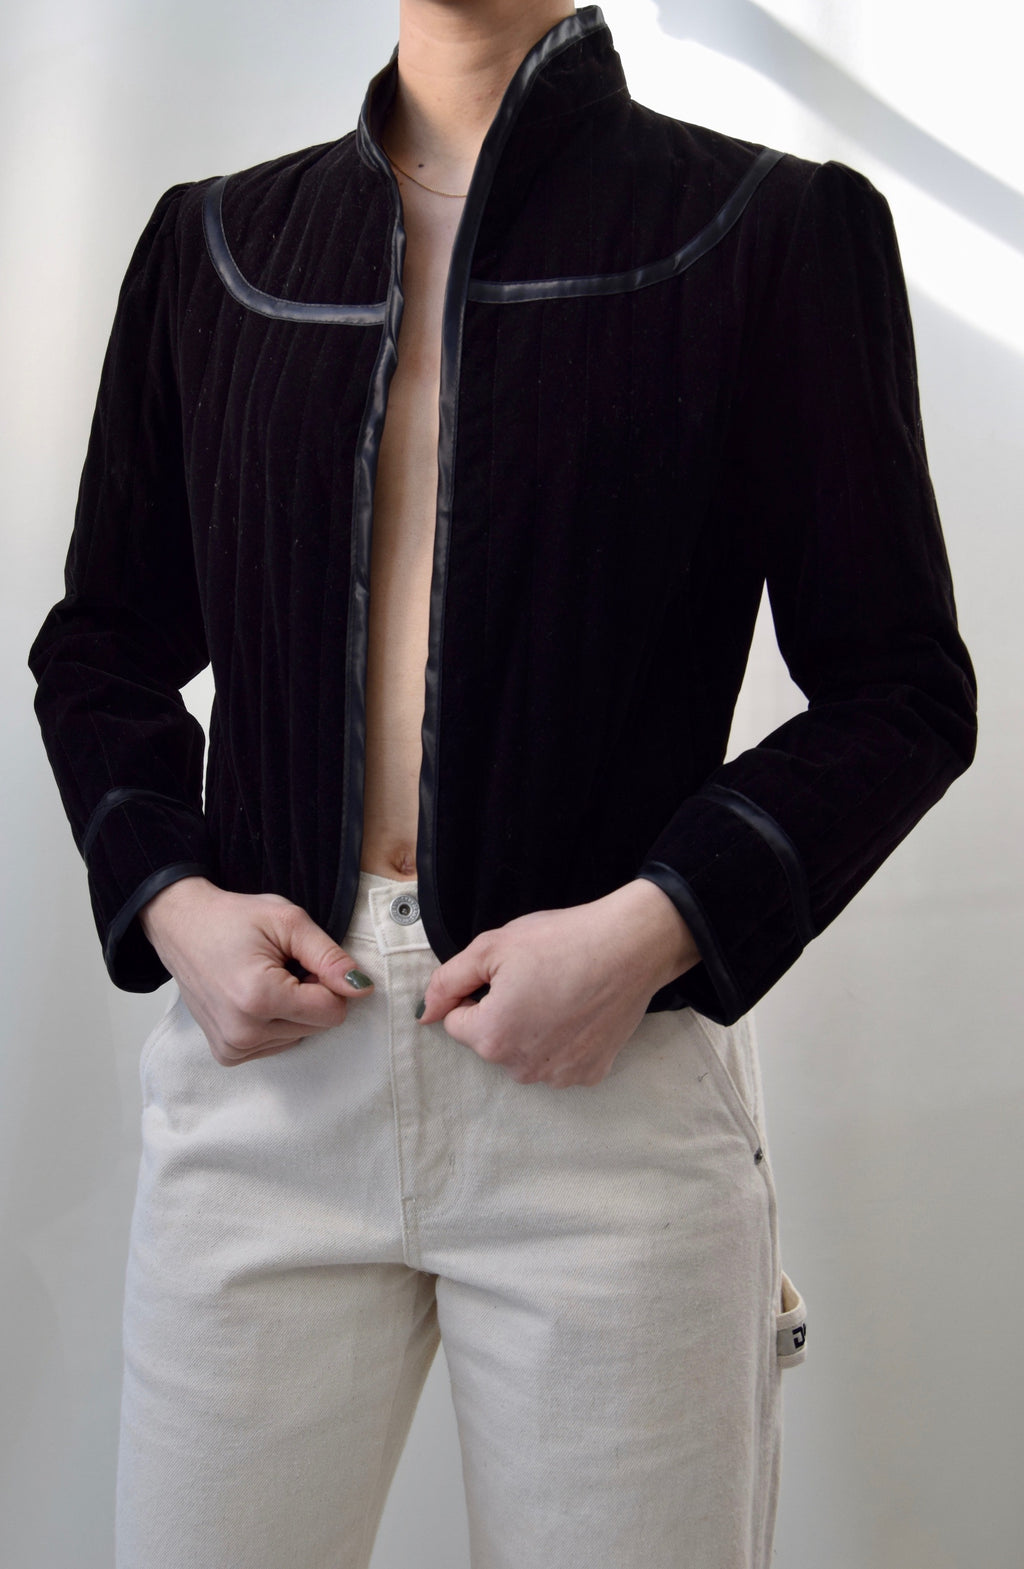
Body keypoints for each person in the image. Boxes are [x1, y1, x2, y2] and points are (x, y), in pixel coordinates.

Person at [26, 2, 977, 1565]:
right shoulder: (215, 246)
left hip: (609, 1092)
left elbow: (902, 689)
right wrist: (174, 901)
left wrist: (652, 929)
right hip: (263, 1092)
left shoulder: (768, 231)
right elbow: (104, 646)